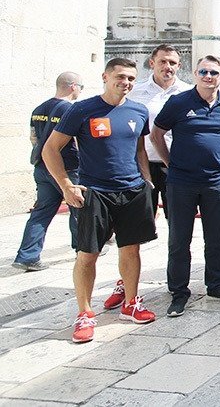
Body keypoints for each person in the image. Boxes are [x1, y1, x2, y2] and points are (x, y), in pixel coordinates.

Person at [44, 58, 157, 343]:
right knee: (87, 255)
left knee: (131, 250)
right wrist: (66, 185)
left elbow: (139, 148)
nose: (126, 83)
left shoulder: (138, 110)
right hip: (95, 193)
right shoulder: (82, 109)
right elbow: (50, 149)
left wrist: (146, 180)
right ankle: (84, 313)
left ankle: (131, 303)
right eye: (120, 77)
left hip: (131, 190)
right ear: (105, 76)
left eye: (131, 78)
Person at [151, 55, 220, 316]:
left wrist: (216, 155)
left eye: (214, 72)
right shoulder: (179, 102)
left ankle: (216, 284)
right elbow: (157, 134)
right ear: (195, 73)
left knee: (216, 238)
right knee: (180, 240)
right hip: (182, 182)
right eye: (203, 71)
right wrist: (170, 163)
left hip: (216, 182)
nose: (208, 77)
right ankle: (179, 291)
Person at [13, 71, 83, 271]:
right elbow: (76, 141)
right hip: (67, 168)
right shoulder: (71, 109)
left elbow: (33, 138)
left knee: (41, 212)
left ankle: (27, 256)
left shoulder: (38, 109)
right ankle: (82, 250)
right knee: (79, 209)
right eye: (80, 87)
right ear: (73, 87)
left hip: (42, 167)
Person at [127, 44, 192, 218]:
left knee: (178, 219)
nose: (167, 66)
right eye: (162, 61)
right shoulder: (134, 92)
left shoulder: (189, 93)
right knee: (140, 220)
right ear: (152, 63)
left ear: (179, 66)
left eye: (172, 62)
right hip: (141, 164)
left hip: (176, 164)